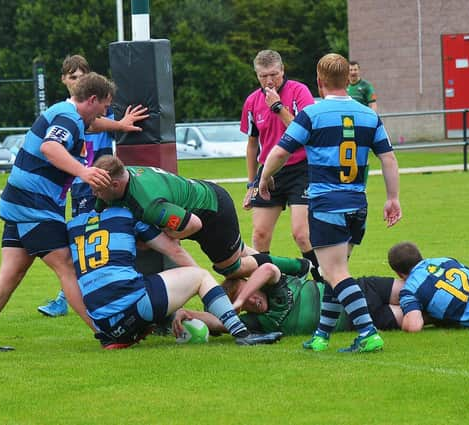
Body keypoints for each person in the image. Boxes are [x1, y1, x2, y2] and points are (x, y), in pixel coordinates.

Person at [0, 72, 116, 351]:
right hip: (33, 206)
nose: (105, 113)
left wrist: (123, 126)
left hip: (18, 201)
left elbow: (93, 126)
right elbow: (50, 146)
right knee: (67, 265)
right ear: (92, 99)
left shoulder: (67, 114)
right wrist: (84, 171)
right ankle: (108, 334)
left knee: (11, 272)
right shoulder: (69, 118)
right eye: (105, 106)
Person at [258, 53, 402, 353]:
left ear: (320, 81)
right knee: (332, 270)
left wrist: (263, 178)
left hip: (328, 204)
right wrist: (392, 198)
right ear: (347, 80)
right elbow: (388, 158)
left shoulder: (313, 114)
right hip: (357, 205)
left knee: (335, 273)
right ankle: (322, 335)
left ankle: (368, 333)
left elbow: (282, 151)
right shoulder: (368, 115)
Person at [68, 206, 283, 348]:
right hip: (134, 305)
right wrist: (208, 292)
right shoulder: (126, 213)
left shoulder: (73, 226)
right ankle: (243, 335)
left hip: (102, 322)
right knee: (200, 276)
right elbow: (174, 251)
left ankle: (117, 335)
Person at [37, 54, 149, 317]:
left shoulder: (94, 108)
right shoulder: (66, 112)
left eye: (81, 76)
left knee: (94, 237)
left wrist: (120, 125)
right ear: (64, 80)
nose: (77, 81)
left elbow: (96, 125)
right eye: (72, 77)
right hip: (75, 182)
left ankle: (81, 295)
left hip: (94, 180)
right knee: (79, 239)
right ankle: (75, 295)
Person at [91, 155, 312, 280]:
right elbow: (99, 209)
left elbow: (193, 225)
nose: (95, 195)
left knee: (231, 269)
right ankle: (301, 268)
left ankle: (295, 266)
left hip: (212, 212)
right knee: (240, 252)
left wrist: (163, 235)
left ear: (116, 185)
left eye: (98, 190)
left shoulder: (148, 204)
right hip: (200, 202)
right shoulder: (120, 175)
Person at [240, 50, 320, 278]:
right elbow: (252, 145)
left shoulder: (298, 91)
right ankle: (270, 288)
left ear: (283, 71)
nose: (269, 81)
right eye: (263, 76)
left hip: (301, 169)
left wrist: (277, 107)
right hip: (269, 173)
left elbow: (305, 131)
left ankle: (324, 285)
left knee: (301, 234)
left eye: (274, 74)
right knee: (259, 235)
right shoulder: (252, 102)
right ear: (256, 76)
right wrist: (251, 183)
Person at [171, 263, 403, 338]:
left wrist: (240, 298)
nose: (251, 301)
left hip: (359, 289)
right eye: (246, 304)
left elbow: (268, 268)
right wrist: (187, 313)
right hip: (358, 320)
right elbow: (219, 322)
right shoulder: (258, 322)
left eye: (251, 292)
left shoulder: (275, 284)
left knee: (417, 292)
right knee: (420, 317)